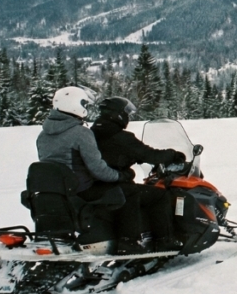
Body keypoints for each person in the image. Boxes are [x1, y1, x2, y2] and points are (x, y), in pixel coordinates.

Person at [35, 87, 147, 255]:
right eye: (84, 103)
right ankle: (128, 242)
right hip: (81, 190)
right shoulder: (81, 133)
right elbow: (99, 170)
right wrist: (121, 175)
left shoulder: (43, 135)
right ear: (74, 105)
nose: (86, 108)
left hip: (56, 192)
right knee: (129, 192)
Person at [90, 97, 185, 253]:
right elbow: (151, 155)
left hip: (95, 186)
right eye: (126, 113)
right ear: (118, 114)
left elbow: (114, 154)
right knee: (159, 195)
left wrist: (133, 158)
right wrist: (173, 155)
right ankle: (164, 240)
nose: (127, 116)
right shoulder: (121, 137)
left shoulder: (90, 134)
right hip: (115, 184)